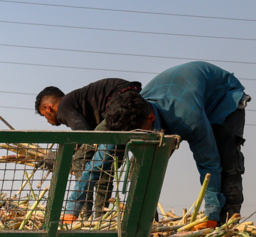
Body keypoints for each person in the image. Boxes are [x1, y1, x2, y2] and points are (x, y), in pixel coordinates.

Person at [104, 61, 247, 228]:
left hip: (222, 96)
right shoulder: (133, 109)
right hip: (184, 95)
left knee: (226, 160)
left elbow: (209, 164)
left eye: (140, 132)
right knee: (142, 165)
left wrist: (210, 214)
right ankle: (144, 222)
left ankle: (225, 224)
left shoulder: (188, 119)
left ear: (150, 118)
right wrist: (73, 210)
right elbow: (99, 161)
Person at [35, 78, 142, 222]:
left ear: (48, 108)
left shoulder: (63, 107)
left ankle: (84, 215)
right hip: (133, 102)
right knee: (106, 165)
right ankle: (99, 217)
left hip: (121, 101)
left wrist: (58, 157)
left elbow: (83, 135)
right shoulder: (79, 103)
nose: (48, 120)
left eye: (44, 116)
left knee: (82, 158)